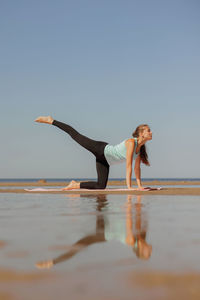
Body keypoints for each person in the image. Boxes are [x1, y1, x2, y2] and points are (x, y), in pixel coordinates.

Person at [35, 116, 152, 190]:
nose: (151, 132)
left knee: (101, 186)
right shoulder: (132, 142)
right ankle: (52, 121)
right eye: (148, 131)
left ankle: (75, 185)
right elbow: (128, 166)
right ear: (141, 134)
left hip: (105, 161)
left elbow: (137, 169)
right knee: (76, 135)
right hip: (101, 149)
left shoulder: (141, 149)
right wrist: (129, 187)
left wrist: (140, 186)